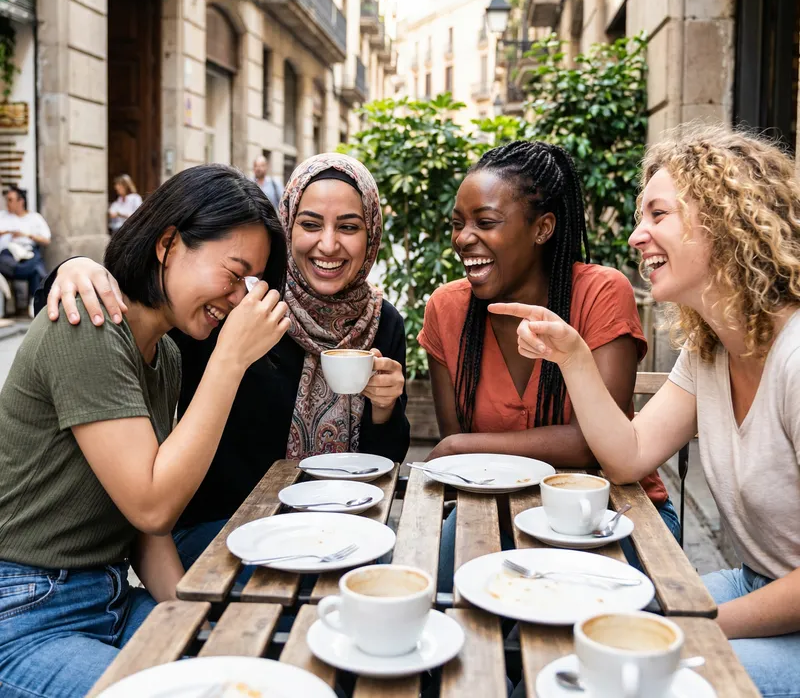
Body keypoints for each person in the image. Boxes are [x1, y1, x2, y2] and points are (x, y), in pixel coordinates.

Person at [492, 127, 800, 697]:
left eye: (659, 214)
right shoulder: (711, 349)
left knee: (630, 677)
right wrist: (573, 356)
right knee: (585, 629)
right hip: (758, 583)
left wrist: (696, 624)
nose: (637, 235)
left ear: (727, 220)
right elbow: (628, 457)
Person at [35, 153, 410, 573]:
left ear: (371, 234)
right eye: (309, 224)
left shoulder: (381, 321)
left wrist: (384, 409)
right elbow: (112, 316)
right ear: (288, 226)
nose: (327, 244)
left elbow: (384, 466)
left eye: (349, 227)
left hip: (335, 526)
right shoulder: (237, 306)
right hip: (218, 527)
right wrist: (74, 268)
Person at [0, 164, 290, 698]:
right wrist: (230, 360)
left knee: (241, 675)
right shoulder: (87, 324)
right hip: (25, 611)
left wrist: (193, 620)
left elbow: (146, 532)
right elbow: (153, 506)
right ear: (167, 244)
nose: (238, 299)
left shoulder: (166, 356)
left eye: (251, 284)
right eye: (234, 275)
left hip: (110, 598)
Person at [417, 141, 677, 590]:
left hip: (613, 514)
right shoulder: (446, 308)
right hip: (496, 510)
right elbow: (463, 457)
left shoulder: (599, 293)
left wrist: (462, 446)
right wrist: (462, 449)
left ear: (542, 228)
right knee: (443, 595)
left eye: (485, 222)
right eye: (458, 224)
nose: (463, 238)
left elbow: (593, 444)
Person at [0, 186, 50, 308]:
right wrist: (6, 232)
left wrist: (26, 235)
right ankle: (36, 302)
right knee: (36, 268)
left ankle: (34, 304)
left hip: (28, 253)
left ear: (20, 201)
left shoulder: (34, 218)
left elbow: (46, 240)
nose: (7, 203)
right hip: (8, 255)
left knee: (35, 263)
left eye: (10, 200)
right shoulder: (3, 216)